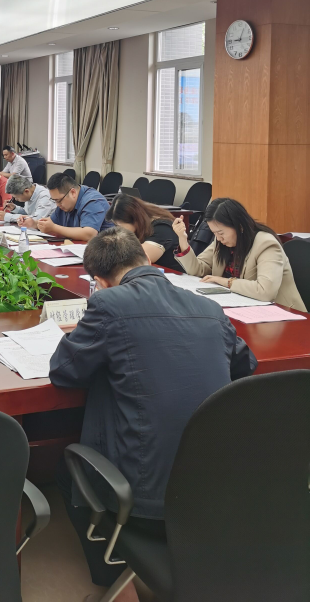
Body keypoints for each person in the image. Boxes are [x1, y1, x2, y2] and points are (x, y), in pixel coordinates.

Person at [50, 228, 257, 597]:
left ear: (100, 282)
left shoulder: (108, 304)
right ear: (146, 259)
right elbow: (245, 364)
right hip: (217, 492)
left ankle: (117, 586)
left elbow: (64, 371)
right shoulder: (209, 309)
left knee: (66, 471)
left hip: (147, 504)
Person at [173, 197, 305, 310]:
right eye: (214, 233)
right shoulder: (221, 241)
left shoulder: (266, 244)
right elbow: (197, 270)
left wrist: (226, 282)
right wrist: (183, 240)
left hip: (282, 314)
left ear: (240, 227)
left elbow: (265, 291)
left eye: (221, 233)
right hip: (242, 307)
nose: (218, 238)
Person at [106, 193, 182, 271]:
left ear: (135, 219)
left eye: (119, 226)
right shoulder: (144, 223)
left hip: (173, 275)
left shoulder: (162, 228)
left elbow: (137, 258)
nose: (118, 229)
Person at [37, 172, 114, 241]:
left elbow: (89, 234)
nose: (57, 204)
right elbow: (51, 222)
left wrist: (54, 228)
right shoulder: (65, 202)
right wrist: (35, 223)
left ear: (73, 192)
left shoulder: (93, 201)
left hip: (106, 249)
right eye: (55, 201)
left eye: (59, 200)